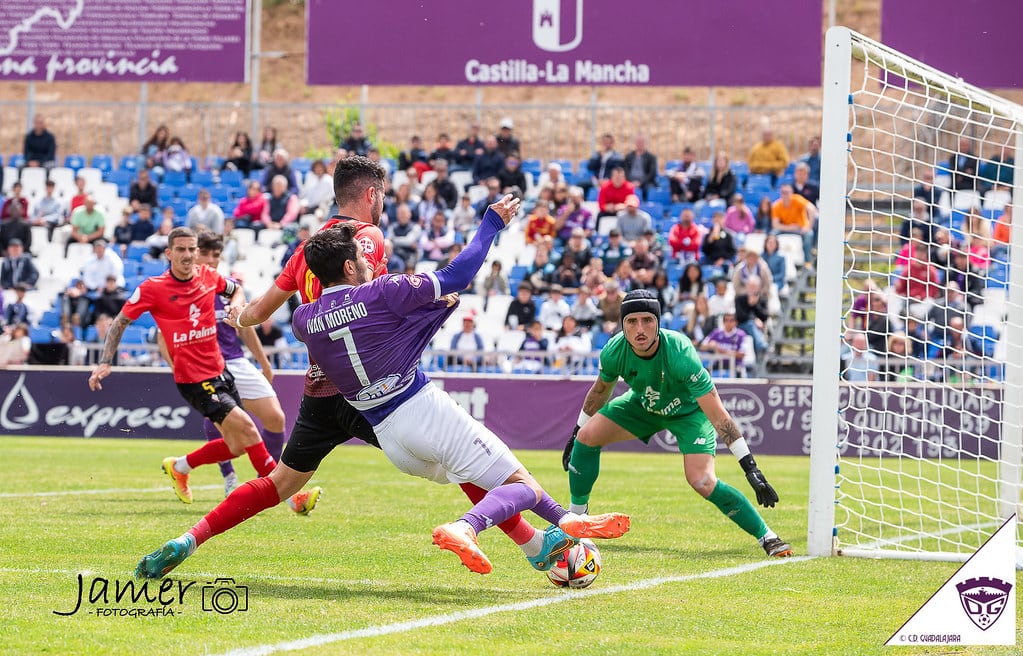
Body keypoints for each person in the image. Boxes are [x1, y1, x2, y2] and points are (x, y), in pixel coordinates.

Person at [135, 158, 574, 579]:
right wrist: (433, 307)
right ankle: (536, 545)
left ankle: (190, 539)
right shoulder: (365, 240)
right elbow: (372, 306)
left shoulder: (307, 249)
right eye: (381, 195)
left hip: (319, 385)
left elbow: (259, 312)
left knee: (280, 482)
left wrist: (238, 315)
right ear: (371, 194)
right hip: (367, 390)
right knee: (460, 458)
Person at [294, 203, 629, 573]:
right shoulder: (380, 292)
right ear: (347, 267)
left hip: (389, 437)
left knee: (485, 477)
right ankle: (465, 527)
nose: (370, 262)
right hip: (420, 408)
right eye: (362, 255)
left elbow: (374, 339)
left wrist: (433, 312)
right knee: (523, 485)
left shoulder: (302, 320)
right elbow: (459, 273)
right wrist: (491, 223)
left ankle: (563, 522)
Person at [561, 289, 792, 558]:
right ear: (622, 325)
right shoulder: (615, 350)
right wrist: (576, 433)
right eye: (631, 321)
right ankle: (577, 521)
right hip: (643, 404)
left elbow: (719, 416)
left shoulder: (680, 352)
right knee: (587, 437)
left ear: (658, 322)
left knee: (702, 481)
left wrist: (750, 468)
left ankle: (767, 536)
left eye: (647, 320)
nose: (640, 329)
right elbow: (599, 392)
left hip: (688, 414)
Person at [88, 227, 279, 506]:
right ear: (169, 253)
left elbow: (236, 290)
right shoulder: (153, 288)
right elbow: (120, 322)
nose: (188, 255)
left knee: (237, 445)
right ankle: (288, 496)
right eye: (181, 250)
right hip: (193, 379)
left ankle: (180, 467)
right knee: (250, 429)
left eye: (192, 249)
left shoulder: (209, 276)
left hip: (220, 370)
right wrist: (105, 362)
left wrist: (235, 307)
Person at [178, 231, 290, 497]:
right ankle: (233, 478)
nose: (210, 260)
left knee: (276, 418)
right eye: (205, 254)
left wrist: (264, 363)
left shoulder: (227, 288)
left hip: (237, 362)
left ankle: (265, 479)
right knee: (224, 424)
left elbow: (245, 327)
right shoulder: (181, 289)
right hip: (207, 367)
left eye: (216, 255)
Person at [622, 135, 658, 200]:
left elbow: (652, 173)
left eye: (641, 142)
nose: (640, 144)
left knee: (649, 189)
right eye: (638, 142)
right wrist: (631, 182)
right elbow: (625, 171)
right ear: (635, 143)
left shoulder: (651, 157)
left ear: (645, 143)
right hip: (630, 181)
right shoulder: (629, 156)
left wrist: (640, 182)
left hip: (645, 182)